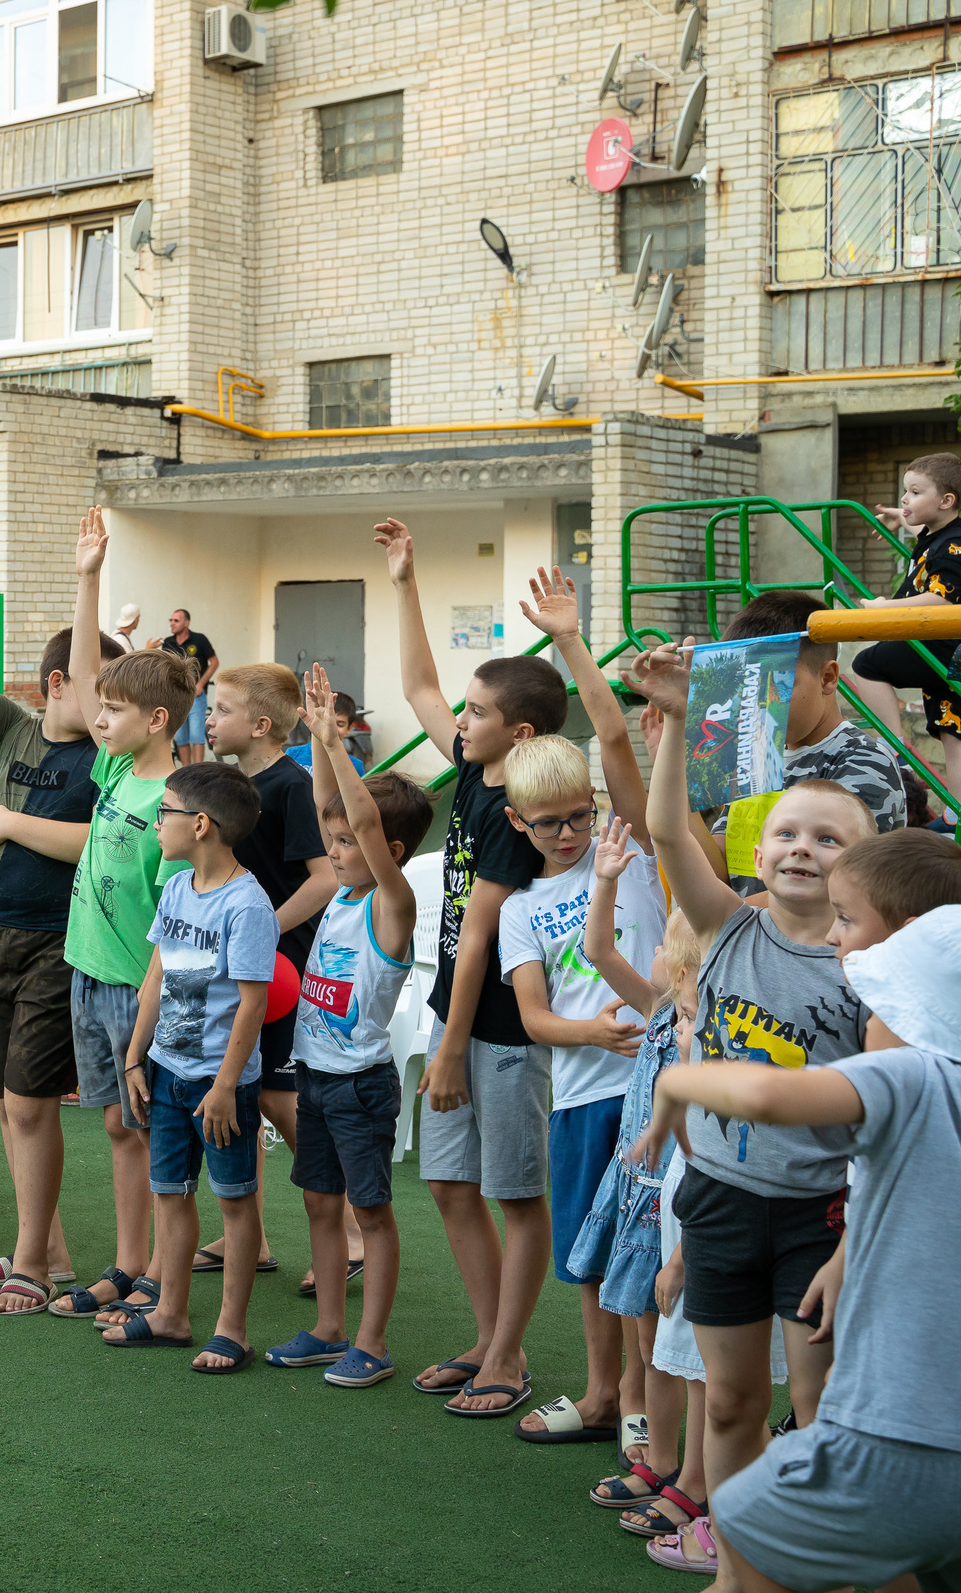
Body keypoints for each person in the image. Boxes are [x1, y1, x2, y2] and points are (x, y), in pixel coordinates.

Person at [645, 904, 961, 1593]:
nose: (866, 1027)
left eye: (876, 1011)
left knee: (746, 1534)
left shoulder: (921, 1080)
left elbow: (764, 1092)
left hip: (898, 1451)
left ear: (914, 1028)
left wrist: (676, 1081)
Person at [620, 636, 875, 1582]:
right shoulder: (727, 924)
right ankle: (739, 1561)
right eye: (788, 834)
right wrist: (679, 719)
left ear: (862, 863)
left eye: (828, 837)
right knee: (727, 1404)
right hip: (723, 1197)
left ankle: (824, 1556)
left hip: (820, 1209)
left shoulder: (867, 970)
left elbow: (882, 1118)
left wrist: (852, 1246)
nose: (803, 849)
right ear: (755, 849)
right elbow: (667, 832)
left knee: (817, 1405)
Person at [375, 516, 569, 1417]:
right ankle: (495, 1341)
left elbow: (483, 937)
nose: (459, 720)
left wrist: (447, 1048)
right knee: (451, 1183)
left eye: (477, 712)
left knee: (515, 1191)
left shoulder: (512, 811)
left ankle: (508, 1354)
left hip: (494, 1025)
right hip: (459, 1015)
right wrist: (405, 578)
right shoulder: (472, 762)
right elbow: (418, 684)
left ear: (516, 730)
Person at [488, 568, 657, 1451]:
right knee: (590, 1261)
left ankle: (642, 1404)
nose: (569, 833)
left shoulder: (635, 844)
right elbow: (534, 1018)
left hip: (662, 1092)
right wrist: (590, 1032)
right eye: (548, 822)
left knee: (649, 1257)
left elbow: (619, 739)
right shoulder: (520, 908)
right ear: (516, 823)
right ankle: (601, 1398)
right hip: (586, 1096)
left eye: (577, 815)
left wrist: (569, 640)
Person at [0, 518, 118, 1306]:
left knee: (31, 1102)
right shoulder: (12, 731)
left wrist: (10, 824)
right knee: (10, 1102)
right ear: (55, 686)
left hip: (57, 943)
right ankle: (44, 1248)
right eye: (100, 692)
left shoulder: (107, 757)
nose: (110, 709)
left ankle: (33, 1266)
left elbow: (95, 845)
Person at [49, 506, 195, 1320]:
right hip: (87, 973)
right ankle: (128, 1264)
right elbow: (78, 678)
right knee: (113, 1127)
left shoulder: (176, 801)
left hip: (141, 990)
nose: (97, 721)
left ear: (158, 721)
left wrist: (145, 1016)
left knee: (150, 1135)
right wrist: (88, 575)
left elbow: (173, 927)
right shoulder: (113, 770)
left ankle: (160, 1285)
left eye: (114, 713)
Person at [272, 663, 429, 1387]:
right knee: (318, 1201)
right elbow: (335, 808)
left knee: (371, 1209)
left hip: (361, 1083)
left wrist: (334, 741)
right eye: (330, 842)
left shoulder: (388, 904)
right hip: (316, 1077)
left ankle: (372, 1341)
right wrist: (319, 745)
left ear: (388, 855)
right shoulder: (342, 890)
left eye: (344, 845)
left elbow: (360, 819)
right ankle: (330, 1328)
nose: (333, 850)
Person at [109, 760, 275, 1366]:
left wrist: (228, 1085)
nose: (157, 824)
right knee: (169, 1192)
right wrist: (134, 1056)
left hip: (219, 1083)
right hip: (165, 1072)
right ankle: (170, 1314)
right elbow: (156, 972)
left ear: (200, 825)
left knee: (234, 1202)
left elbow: (253, 1004)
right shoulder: (177, 886)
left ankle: (232, 1328)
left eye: (165, 812)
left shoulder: (248, 906)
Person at [574, 825, 708, 1537]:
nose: (648, 951)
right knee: (653, 1339)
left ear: (685, 971)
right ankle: (660, 1457)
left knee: (680, 1345)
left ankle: (690, 1471)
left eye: (663, 946)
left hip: (675, 1203)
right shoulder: (660, 1014)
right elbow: (597, 951)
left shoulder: (701, 1031)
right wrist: (603, 881)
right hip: (637, 1198)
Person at [198, 661, 338, 1278]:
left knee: (283, 1103)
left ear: (260, 726)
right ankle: (246, 1237)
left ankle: (353, 1231)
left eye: (221, 709)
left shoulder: (289, 784)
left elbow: (326, 879)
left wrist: (260, 933)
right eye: (208, 707)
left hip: (284, 972)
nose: (208, 718)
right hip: (243, 967)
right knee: (244, 1097)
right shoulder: (232, 786)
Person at [707, 590, 906, 893]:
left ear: (827, 678)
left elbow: (830, 893)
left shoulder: (863, 760)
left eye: (776, 683)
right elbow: (717, 867)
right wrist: (675, 759)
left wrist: (719, 921)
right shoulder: (756, 755)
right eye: (748, 685)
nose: (760, 702)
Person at [842, 453, 961, 827]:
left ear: (946, 501)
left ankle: (894, 746)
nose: (905, 499)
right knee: (953, 731)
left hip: (946, 646)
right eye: (903, 491)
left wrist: (886, 607)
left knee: (867, 664)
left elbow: (942, 597)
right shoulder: (942, 537)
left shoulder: (959, 546)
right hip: (958, 650)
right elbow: (928, 539)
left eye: (914, 492)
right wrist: (900, 518)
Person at [159, 610, 218, 764]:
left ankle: (197, 771)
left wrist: (201, 684)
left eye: (176, 620)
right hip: (176, 697)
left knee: (197, 735)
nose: (172, 623)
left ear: (186, 622)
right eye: (170, 620)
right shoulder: (168, 643)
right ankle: (186, 771)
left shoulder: (199, 639)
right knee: (181, 736)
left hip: (196, 697)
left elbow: (214, 662)